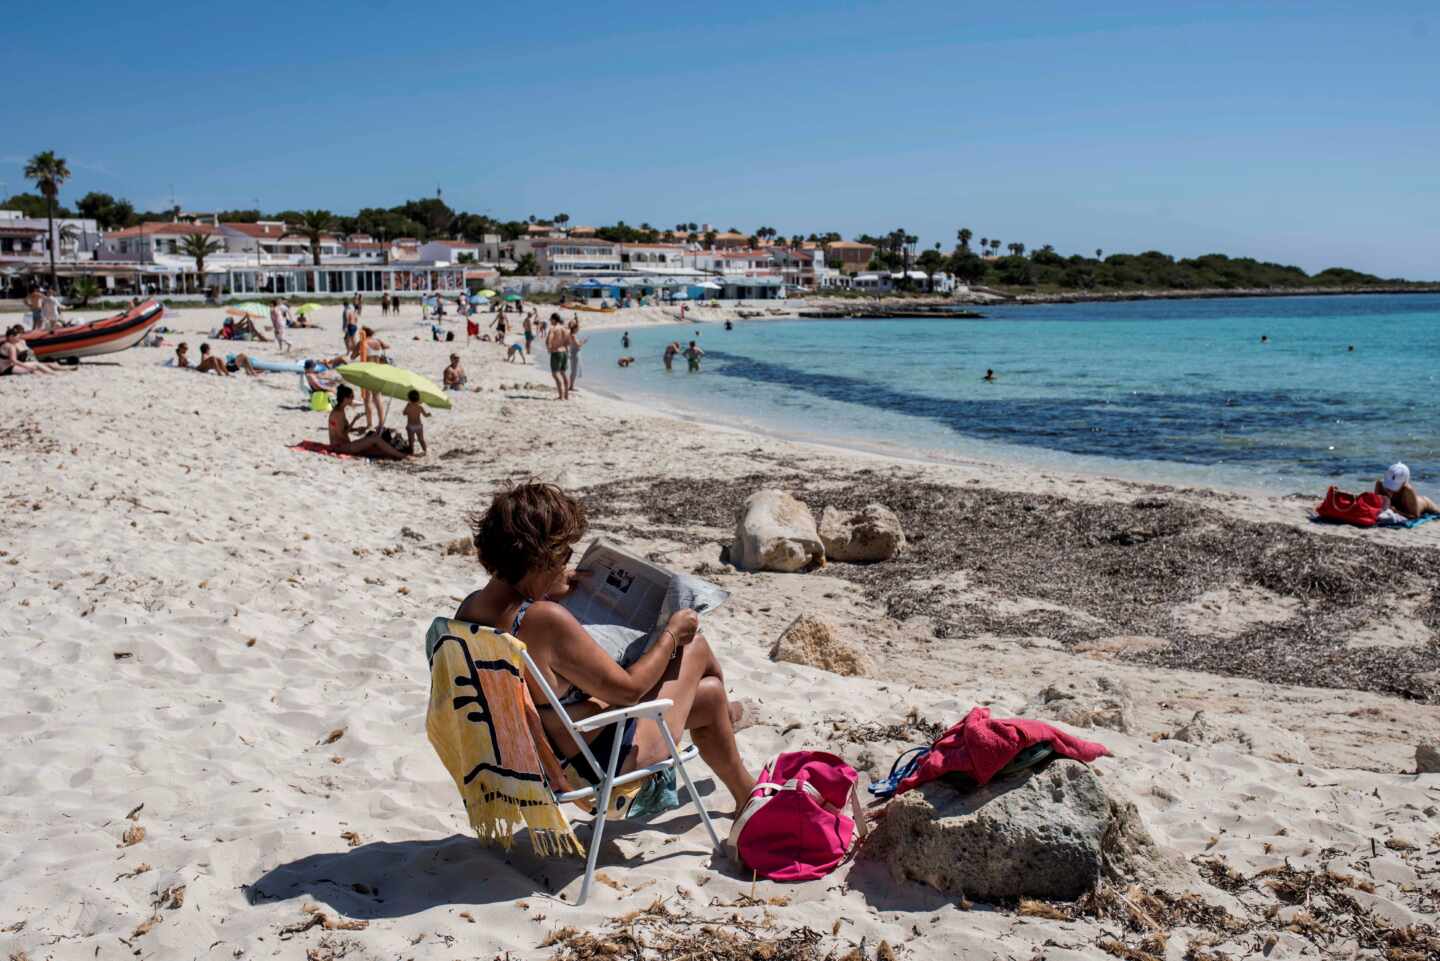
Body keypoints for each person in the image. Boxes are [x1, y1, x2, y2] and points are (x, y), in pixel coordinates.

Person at [455, 483, 754, 810]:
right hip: (596, 768)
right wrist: (671, 633)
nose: (565, 562)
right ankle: (747, 787)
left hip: (531, 756)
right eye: (563, 553)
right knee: (693, 645)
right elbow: (628, 692)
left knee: (709, 696)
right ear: (541, 558)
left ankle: (744, 787)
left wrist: (546, 587)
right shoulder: (545, 621)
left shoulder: (471, 611)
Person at [327, 385, 407, 459]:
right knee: (375, 439)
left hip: (343, 445)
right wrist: (355, 420)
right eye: (352, 397)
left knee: (374, 438)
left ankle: (399, 453)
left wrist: (356, 429)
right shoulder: (338, 414)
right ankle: (403, 456)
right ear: (345, 399)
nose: (353, 399)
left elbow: (341, 430)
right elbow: (343, 433)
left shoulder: (339, 410)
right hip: (341, 447)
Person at [351, 326, 389, 429]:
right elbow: (387, 346)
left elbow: (352, 356)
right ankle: (381, 423)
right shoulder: (378, 341)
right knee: (378, 397)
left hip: (367, 372)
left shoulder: (363, 342)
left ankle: (369, 424)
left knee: (367, 399)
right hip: (378, 371)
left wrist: (359, 350)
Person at [1375, 462, 1440, 521]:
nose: (1390, 490)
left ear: (1404, 483)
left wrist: (1395, 511)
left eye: (1394, 486)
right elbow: (1375, 506)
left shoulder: (1407, 491)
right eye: (1388, 487)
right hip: (1405, 504)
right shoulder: (1380, 484)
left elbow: (1415, 516)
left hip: (1424, 503)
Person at [546, 313, 571, 400]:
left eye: (551, 319)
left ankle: (561, 396)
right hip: (564, 352)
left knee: (555, 374)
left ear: (554, 320)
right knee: (563, 373)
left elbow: (549, 338)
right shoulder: (564, 328)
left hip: (556, 352)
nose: (550, 321)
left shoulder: (553, 328)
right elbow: (568, 342)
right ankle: (566, 395)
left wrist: (549, 348)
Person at [403, 388, 430, 455]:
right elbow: (425, 415)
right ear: (418, 399)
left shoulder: (408, 406)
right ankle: (425, 450)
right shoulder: (420, 407)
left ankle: (411, 452)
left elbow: (404, 413)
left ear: (409, 398)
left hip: (411, 426)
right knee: (421, 439)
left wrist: (407, 406)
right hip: (419, 426)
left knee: (411, 440)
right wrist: (428, 414)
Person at [566, 318, 586, 393]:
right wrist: (583, 342)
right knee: (574, 371)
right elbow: (578, 345)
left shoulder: (571, 334)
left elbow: (573, 344)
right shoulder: (573, 335)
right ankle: (571, 386)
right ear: (575, 329)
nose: (578, 330)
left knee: (573, 370)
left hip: (573, 353)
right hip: (575, 353)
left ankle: (571, 386)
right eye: (578, 329)